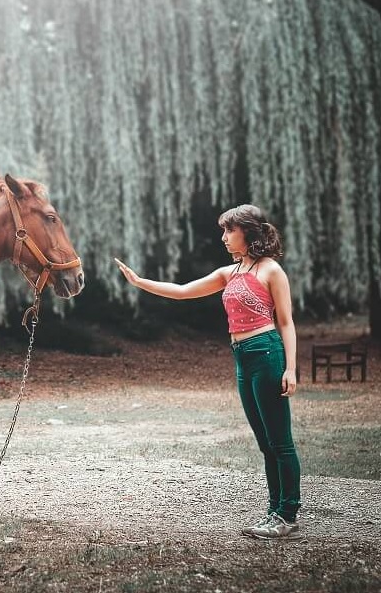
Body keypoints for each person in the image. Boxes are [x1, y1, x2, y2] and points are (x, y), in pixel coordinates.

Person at [114, 204, 301, 539]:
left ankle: (287, 514)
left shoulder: (271, 271)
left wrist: (290, 368)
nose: (224, 237)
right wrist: (140, 282)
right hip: (242, 357)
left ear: (248, 231)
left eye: (230, 230)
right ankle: (274, 512)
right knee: (264, 443)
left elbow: (286, 322)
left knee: (280, 442)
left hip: (267, 353)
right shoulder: (229, 273)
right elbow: (184, 291)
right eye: (223, 231)